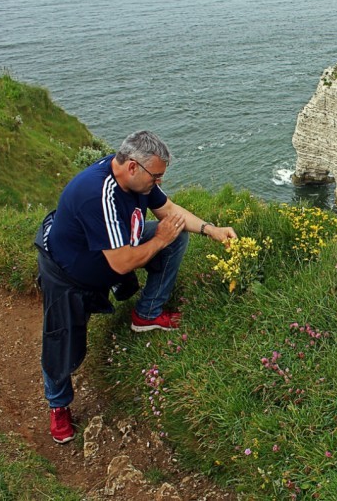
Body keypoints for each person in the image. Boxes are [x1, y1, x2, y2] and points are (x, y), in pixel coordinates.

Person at [34, 130, 237, 444]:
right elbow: (121, 263)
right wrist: (159, 239)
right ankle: (58, 405)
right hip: (68, 274)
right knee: (62, 343)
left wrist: (211, 229)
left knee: (176, 235)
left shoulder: (137, 180)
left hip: (108, 253)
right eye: (156, 177)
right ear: (132, 167)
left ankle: (147, 313)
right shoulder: (97, 194)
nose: (159, 182)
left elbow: (169, 211)